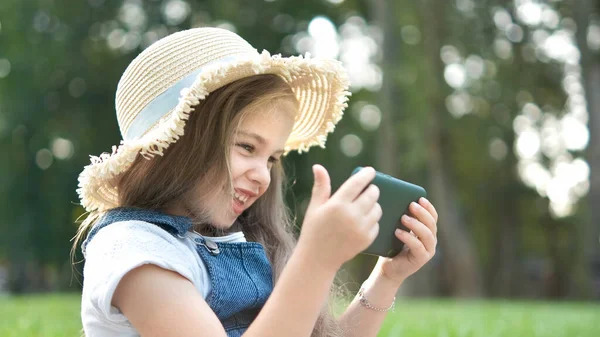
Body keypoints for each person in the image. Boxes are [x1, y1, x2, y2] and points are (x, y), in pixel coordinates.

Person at [72, 27, 438, 337]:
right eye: (247, 147)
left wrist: (387, 277)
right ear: (176, 145)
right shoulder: (133, 250)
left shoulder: (235, 242)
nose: (263, 175)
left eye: (272, 158)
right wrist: (316, 259)